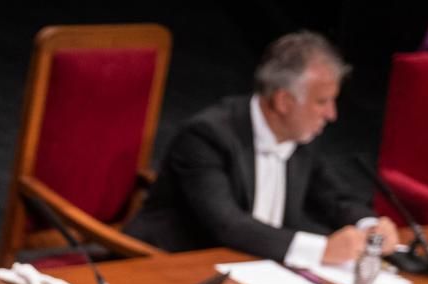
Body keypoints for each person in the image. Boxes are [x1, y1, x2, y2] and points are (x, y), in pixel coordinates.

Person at [124, 31, 398, 266]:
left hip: (258, 269)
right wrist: (321, 250)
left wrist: (368, 225)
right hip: (172, 263)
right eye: (322, 102)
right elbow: (227, 225)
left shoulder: (301, 137)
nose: (331, 114)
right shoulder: (207, 136)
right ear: (284, 101)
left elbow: (336, 199)